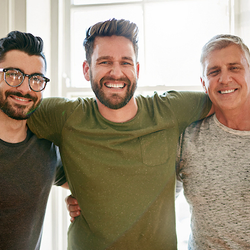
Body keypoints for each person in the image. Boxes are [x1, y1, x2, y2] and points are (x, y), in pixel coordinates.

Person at [27, 18, 212, 250]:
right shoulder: (65, 116)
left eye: (126, 62)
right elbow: (13, 117)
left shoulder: (169, 111)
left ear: (137, 70)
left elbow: (229, 99)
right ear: (87, 70)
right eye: (104, 62)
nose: (116, 72)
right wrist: (72, 182)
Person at [176, 34, 250, 249]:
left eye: (234, 68)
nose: (224, 79)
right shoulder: (187, 137)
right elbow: (154, 199)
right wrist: (86, 202)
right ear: (203, 83)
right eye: (214, 71)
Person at [0, 31, 69, 250]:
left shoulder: (46, 145)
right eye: (13, 74)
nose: (24, 88)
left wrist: (81, 202)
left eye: (36, 79)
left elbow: (83, 183)